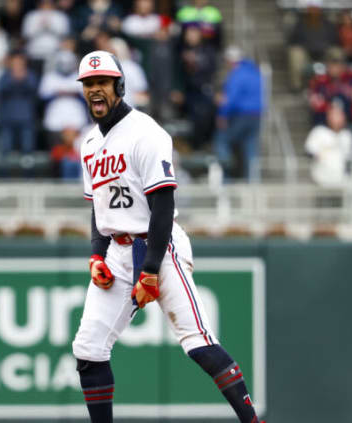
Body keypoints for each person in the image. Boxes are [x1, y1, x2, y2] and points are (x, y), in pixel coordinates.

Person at [72, 50, 265, 423]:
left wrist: (149, 269)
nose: (95, 90)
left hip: (158, 243)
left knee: (199, 344)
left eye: (103, 83)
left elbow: (162, 205)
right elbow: (98, 209)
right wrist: (97, 254)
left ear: (120, 85)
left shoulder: (146, 132)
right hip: (117, 249)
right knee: (88, 349)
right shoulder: (90, 144)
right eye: (89, 84)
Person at [213, 46, 264, 182]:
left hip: (241, 115)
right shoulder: (255, 73)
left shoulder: (237, 75)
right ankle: (253, 182)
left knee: (221, 141)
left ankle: (228, 176)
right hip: (256, 116)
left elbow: (231, 99)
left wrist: (222, 115)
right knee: (250, 149)